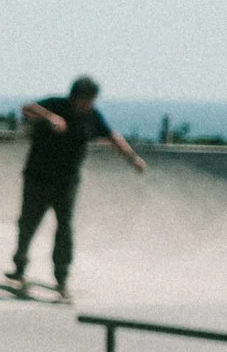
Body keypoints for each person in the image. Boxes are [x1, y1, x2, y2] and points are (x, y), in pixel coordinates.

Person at [9, 74, 146, 297]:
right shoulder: (56, 104)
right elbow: (26, 109)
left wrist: (133, 159)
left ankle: (61, 278)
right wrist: (49, 116)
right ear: (75, 97)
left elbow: (112, 136)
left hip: (67, 183)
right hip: (37, 178)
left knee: (65, 228)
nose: (89, 104)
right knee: (28, 223)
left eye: (92, 100)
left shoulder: (92, 116)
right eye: (86, 99)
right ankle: (19, 267)